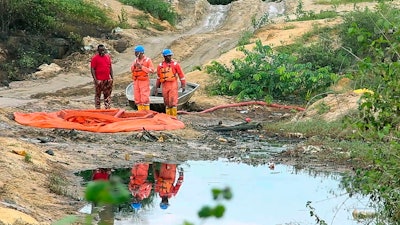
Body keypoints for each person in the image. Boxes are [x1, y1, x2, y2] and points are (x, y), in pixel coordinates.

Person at [154, 49, 186, 117]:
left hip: (173, 85)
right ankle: (168, 117)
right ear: (164, 56)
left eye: (170, 56)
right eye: (168, 56)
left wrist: (183, 85)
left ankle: (174, 117)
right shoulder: (160, 66)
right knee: (166, 102)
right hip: (165, 85)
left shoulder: (175, 65)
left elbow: (181, 75)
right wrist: (156, 87)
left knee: (173, 102)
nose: (169, 57)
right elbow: (159, 77)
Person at [131, 45, 155, 111]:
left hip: (144, 80)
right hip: (136, 80)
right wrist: (134, 66)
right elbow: (132, 69)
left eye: (136, 52)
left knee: (144, 97)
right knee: (137, 97)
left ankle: (146, 112)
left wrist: (142, 67)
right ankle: (140, 113)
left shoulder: (147, 60)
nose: (135, 53)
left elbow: (152, 70)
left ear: (141, 52)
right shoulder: (135, 60)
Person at [90, 44, 114, 109]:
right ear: (98, 51)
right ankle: (98, 108)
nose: (102, 52)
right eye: (101, 50)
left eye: (103, 50)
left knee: (107, 94)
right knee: (98, 95)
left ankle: (107, 107)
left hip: (107, 79)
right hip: (99, 80)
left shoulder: (108, 57)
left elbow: (110, 67)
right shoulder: (94, 59)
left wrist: (112, 77)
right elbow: (92, 69)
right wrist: (95, 80)